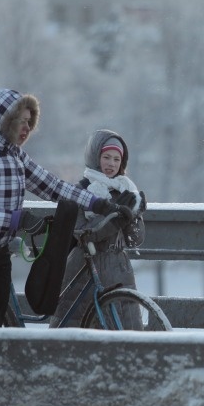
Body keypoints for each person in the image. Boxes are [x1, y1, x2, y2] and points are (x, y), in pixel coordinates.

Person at [0, 88, 121, 327]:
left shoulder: (16, 156)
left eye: (30, 122)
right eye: (21, 121)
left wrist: (98, 203)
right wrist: (18, 219)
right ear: (3, 121)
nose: (27, 128)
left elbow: (53, 186)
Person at [50, 129, 147, 329]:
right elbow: (83, 234)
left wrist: (135, 215)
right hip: (86, 269)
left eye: (116, 159)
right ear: (95, 157)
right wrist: (116, 218)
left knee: (127, 335)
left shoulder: (125, 190)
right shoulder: (81, 191)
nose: (111, 164)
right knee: (77, 331)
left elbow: (134, 240)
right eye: (106, 157)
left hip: (120, 271)